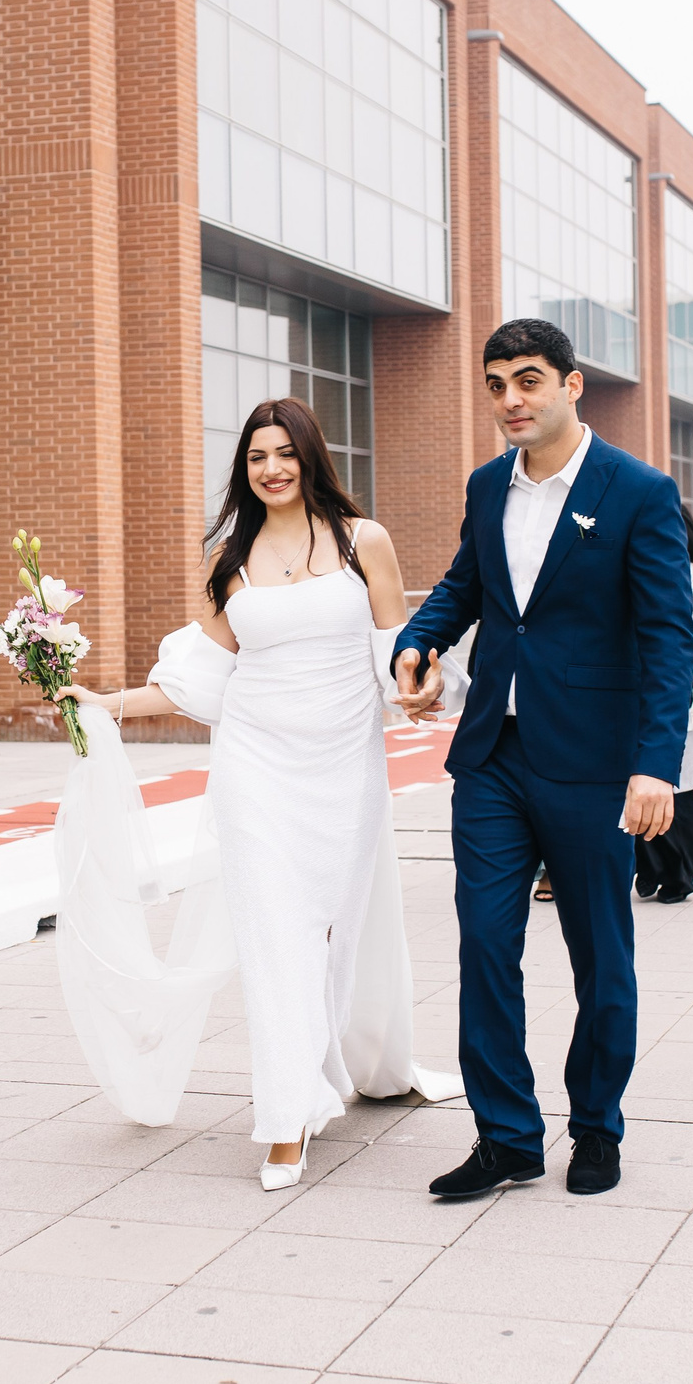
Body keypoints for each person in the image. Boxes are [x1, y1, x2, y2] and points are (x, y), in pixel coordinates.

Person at [50, 396, 461, 1189]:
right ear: (243, 469)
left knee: (332, 934)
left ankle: (343, 1062)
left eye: (285, 453)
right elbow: (195, 682)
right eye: (255, 457)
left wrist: (424, 684)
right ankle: (285, 1117)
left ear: (311, 457)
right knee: (276, 939)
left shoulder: (361, 542)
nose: (271, 468)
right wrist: (106, 702)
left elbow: (397, 657)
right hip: (255, 772)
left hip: (345, 770)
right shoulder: (228, 562)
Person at [393, 319, 693, 1198]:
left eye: (528, 380)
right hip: (492, 753)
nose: (510, 400)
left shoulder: (638, 491)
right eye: (495, 384)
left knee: (600, 952)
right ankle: (507, 1136)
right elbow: (466, 586)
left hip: (597, 763)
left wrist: (655, 764)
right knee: (486, 943)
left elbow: (667, 639)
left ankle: (596, 1125)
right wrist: (419, 643)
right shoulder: (487, 487)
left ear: (572, 386)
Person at [634, 505, 693, 905]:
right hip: (639, 688)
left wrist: (675, 653)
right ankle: (652, 868)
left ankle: (678, 871)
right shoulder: (638, 569)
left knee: (681, 787)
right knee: (644, 780)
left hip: (687, 691)